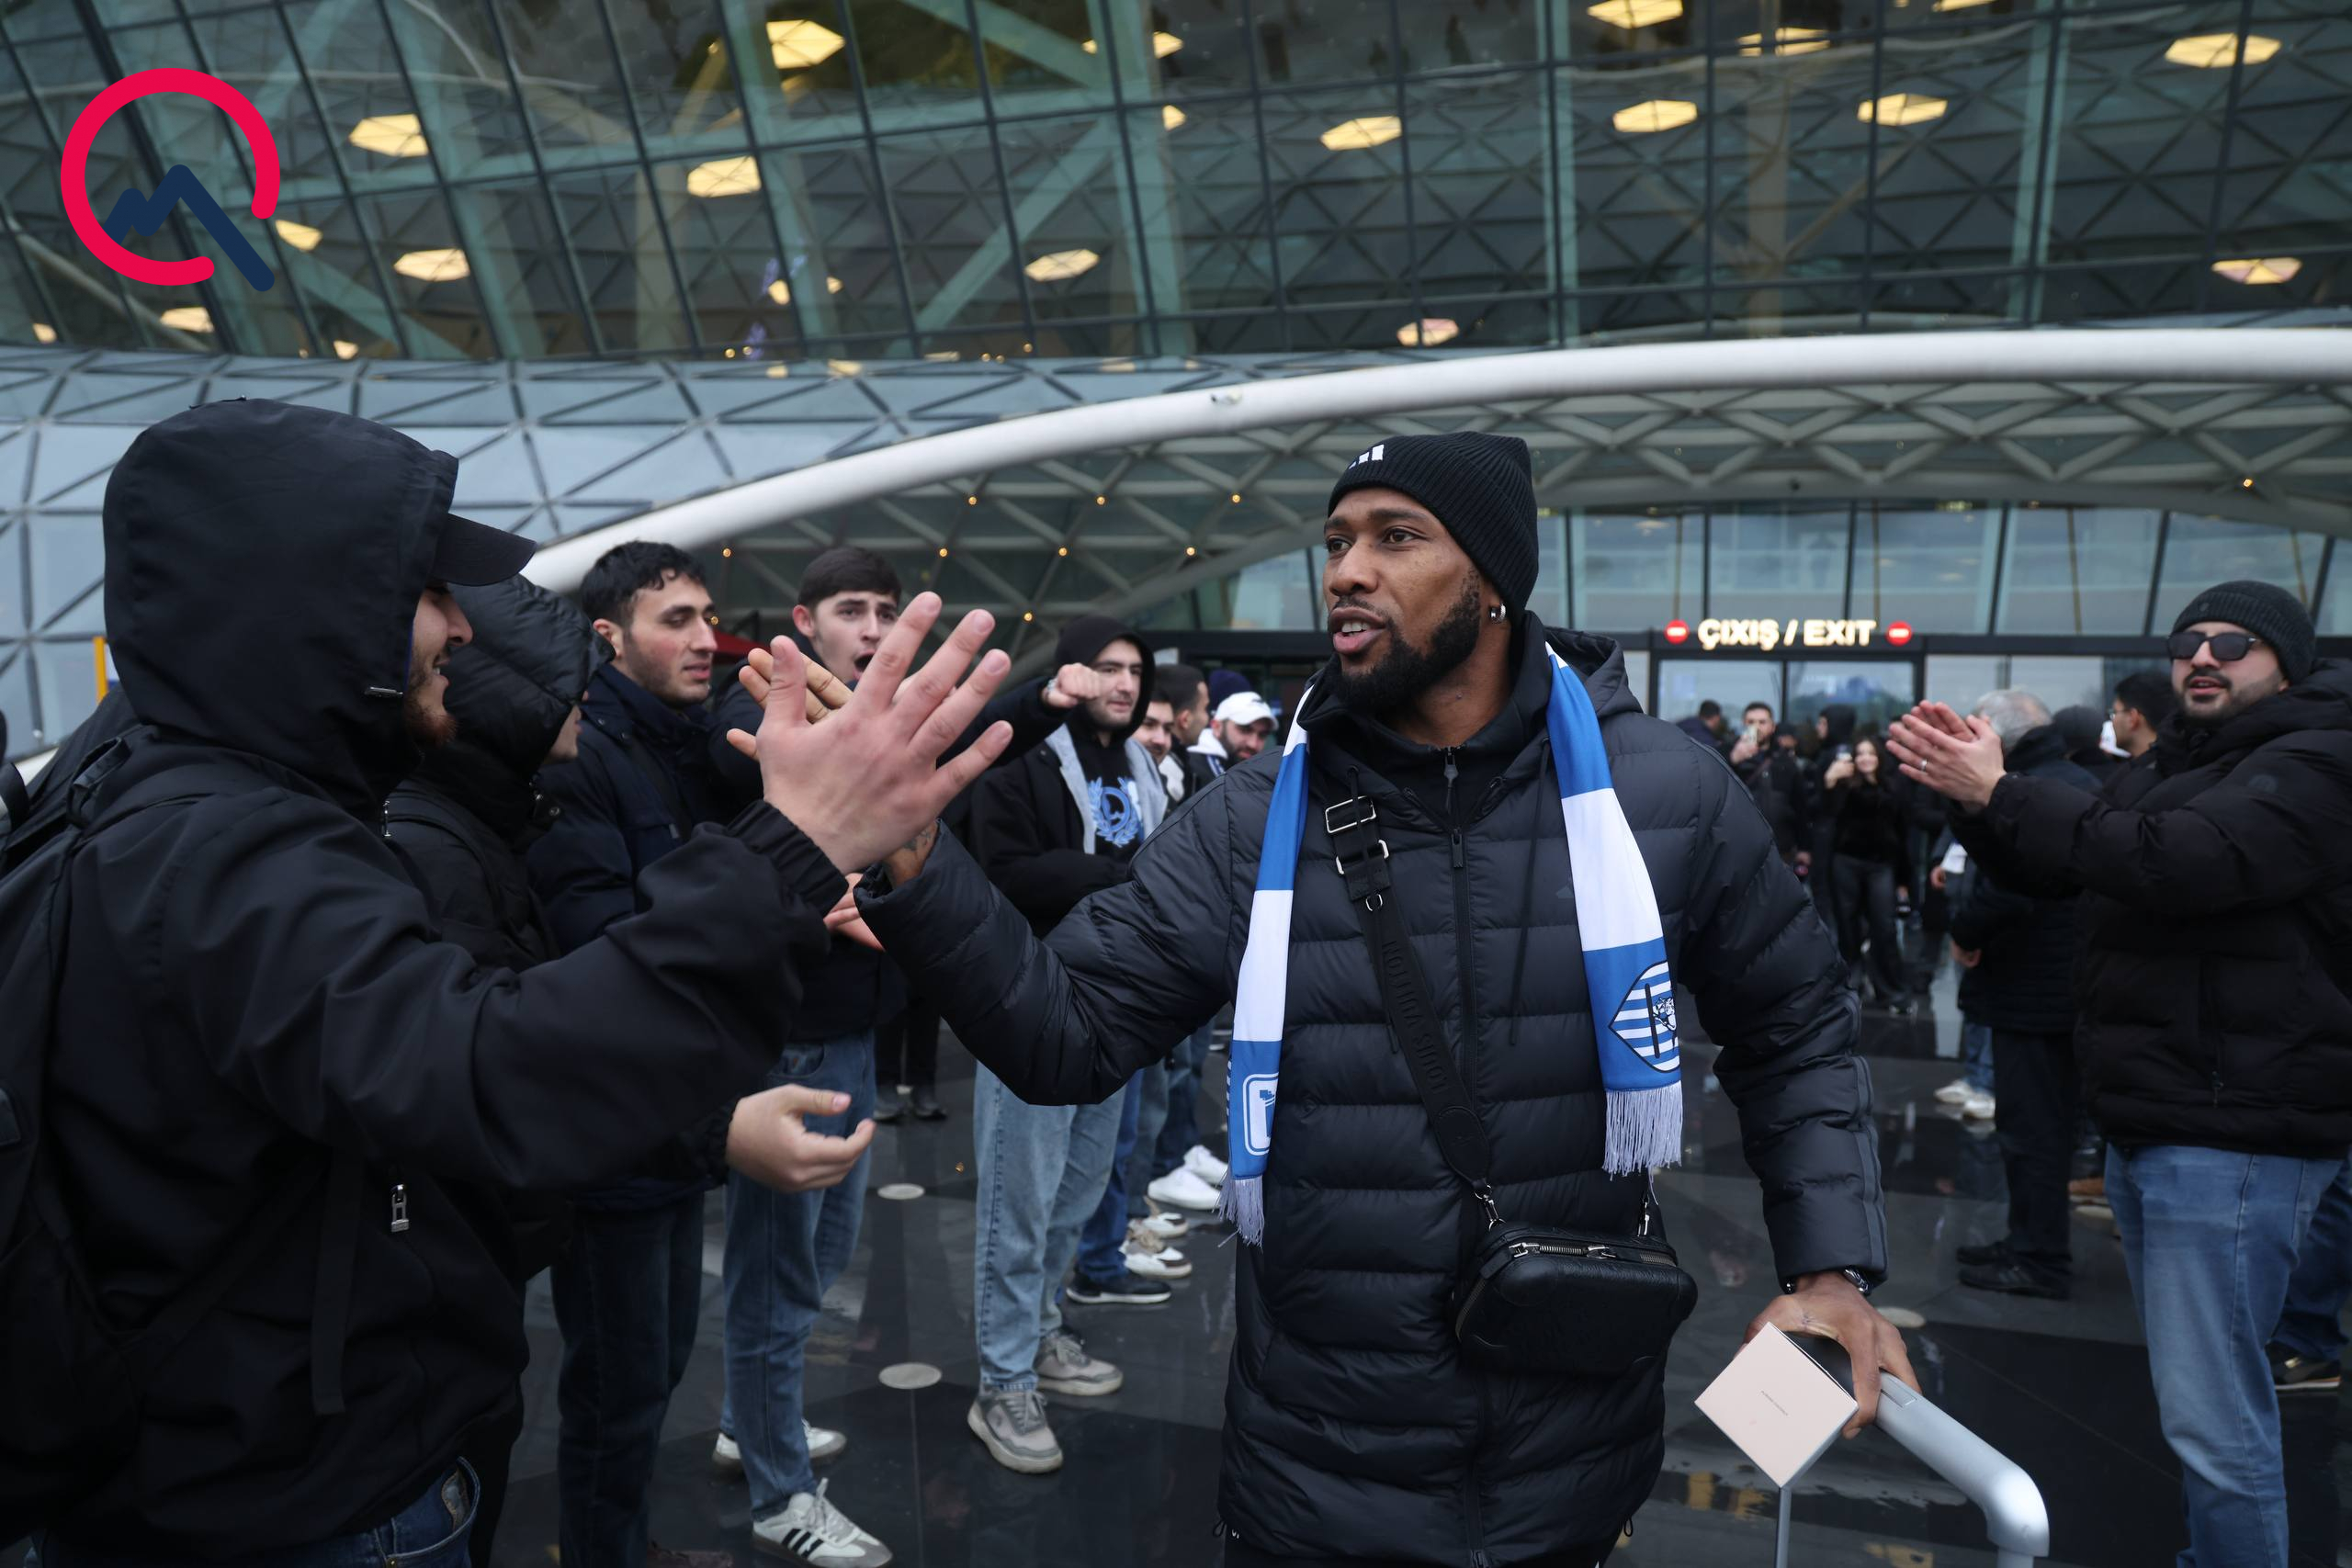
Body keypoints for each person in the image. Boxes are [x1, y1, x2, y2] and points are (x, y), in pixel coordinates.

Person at [850, 431, 1909, 1565]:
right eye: (1336, 541)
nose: (1347, 570)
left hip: (1570, 1463)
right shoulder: (1253, 817)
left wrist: (1829, 1269)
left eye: (1396, 538)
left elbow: (1794, 1026)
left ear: (1493, 582)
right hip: (1316, 1474)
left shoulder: (1664, 794)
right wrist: (918, 861)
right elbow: (1065, 1035)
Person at [18, 400, 990, 1562]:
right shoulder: (227, 850)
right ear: (315, 603)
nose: (461, 628)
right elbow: (497, 1076)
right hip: (298, 1502)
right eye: (427, 590)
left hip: (274, 1462)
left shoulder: (183, 800)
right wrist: (796, 845)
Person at [1892, 580, 2352, 1568]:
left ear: (2288, 662)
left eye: (2232, 643)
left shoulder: (2319, 755)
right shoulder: (2179, 759)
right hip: (2164, 1115)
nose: (2203, 657)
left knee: (2213, 1419)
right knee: (2200, 1408)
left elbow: (2180, 859)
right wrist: (1972, 799)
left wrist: (2001, 792)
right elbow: (2064, 863)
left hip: (2234, 1124)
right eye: (2188, 643)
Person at [699, 548, 1083, 1564]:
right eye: (851, 610)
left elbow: (957, 749)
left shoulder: (872, 724)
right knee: (778, 1274)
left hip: (849, 1032)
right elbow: (726, 801)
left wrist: (1045, 697)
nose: (871, 629)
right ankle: (780, 1489)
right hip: (788, 1036)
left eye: (883, 610)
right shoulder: (767, 712)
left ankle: (748, 1422)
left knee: (820, 1259)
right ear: (804, 621)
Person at [959, 613, 1173, 1475]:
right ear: (1071, 672)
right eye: (1107, 667)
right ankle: (1002, 1381)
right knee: (1018, 1202)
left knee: (1076, 1193)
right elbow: (1004, 869)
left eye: (1135, 671)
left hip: (1115, 1004)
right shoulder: (1025, 756)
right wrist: (1120, 879)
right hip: (1030, 1001)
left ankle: (1042, 1333)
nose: (1123, 684)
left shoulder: (1141, 766)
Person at [1939, 691, 2096, 1301]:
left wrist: (1966, 930)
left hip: (2037, 986)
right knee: (2031, 1127)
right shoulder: (2064, 779)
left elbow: (2014, 885)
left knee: (2034, 1131)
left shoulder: (2033, 788)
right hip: (2046, 982)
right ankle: (2026, 1240)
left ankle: (2038, 1256)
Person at [1820, 735, 1913, 1012]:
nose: (1865, 758)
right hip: (1846, 862)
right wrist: (1830, 781)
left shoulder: (1894, 787)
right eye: (1860, 753)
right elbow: (1826, 814)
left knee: (1884, 927)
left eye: (1871, 753)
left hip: (1882, 865)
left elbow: (1903, 834)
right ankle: (1851, 986)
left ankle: (1891, 990)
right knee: (1847, 927)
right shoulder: (1845, 785)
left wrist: (1904, 880)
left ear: (1879, 757)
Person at [1729, 699, 1806, 866]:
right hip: (1739, 846)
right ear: (1743, 724)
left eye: (1762, 722)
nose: (1756, 726)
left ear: (1772, 727)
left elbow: (1800, 805)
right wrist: (1733, 760)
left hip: (1780, 847)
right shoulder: (1728, 754)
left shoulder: (1785, 761)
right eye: (1751, 722)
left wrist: (1804, 847)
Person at [1160, 662, 1217, 799]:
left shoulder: (1177, 763)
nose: (1208, 718)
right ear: (1185, 719)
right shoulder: (1169, 772)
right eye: (1205, 708)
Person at [1193, 690, 1276, 778]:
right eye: (1245, 730)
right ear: (1217, 727)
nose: (1253, 744)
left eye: (1262, 735)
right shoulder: (1198, 770)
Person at [2110, 669, 2177, 761]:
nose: (2112, 721)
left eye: (2114, 713)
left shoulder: (2144, 768)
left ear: (2132, 718)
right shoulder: (2183, 763)